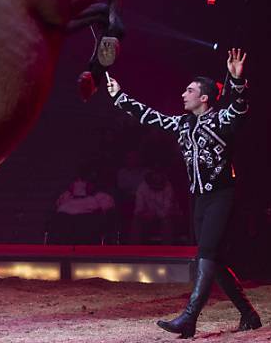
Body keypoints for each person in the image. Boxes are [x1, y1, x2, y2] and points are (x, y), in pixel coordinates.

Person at [99, 47, 261, 337]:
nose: (183, 94)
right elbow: (150, 116)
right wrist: (118, 96)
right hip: (199, 199)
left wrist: (236, 80)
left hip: (222, 196)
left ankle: (190, 317)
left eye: (189, 90)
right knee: (213, 260)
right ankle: (249, 315)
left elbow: (240, 107)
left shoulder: (221, 119)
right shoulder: (183, 124)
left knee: (207, 255)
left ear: (204, 98)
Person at [50, 176, 117, 244]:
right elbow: (59, 206)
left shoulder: (102, 197)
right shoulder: (67, 196)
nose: (80, 184)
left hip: (90, 230)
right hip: (68, 230)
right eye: (77, 181)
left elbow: (106, 211)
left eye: (83, 181)